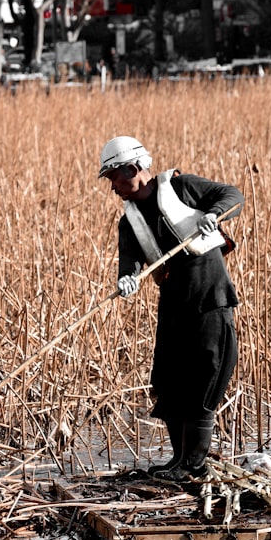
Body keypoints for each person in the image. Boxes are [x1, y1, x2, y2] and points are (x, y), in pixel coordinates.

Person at [98, 136, 244, 481]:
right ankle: (178, 461)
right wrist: (127, 280)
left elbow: (232, 195)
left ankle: (193, 465)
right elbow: (129, 262)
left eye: (114, 178)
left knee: (206, 373)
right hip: (174, 304)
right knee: (169, 379)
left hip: (210, 297)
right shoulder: (128, 221)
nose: (113, 187)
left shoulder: (182, 187)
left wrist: (212, 214)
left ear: (133, 169)